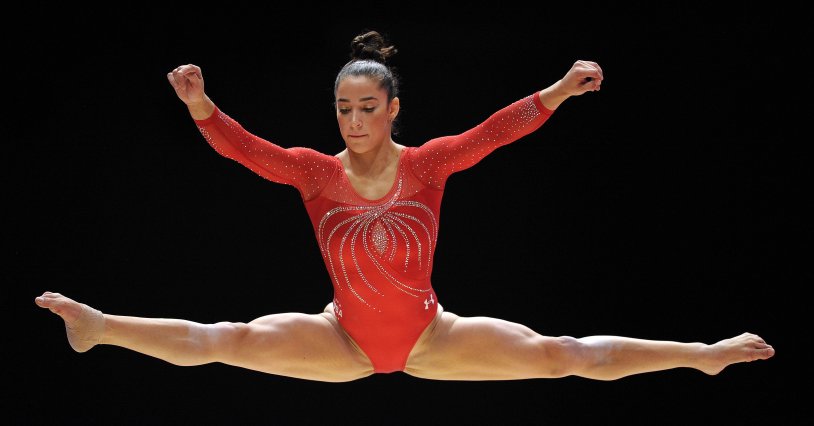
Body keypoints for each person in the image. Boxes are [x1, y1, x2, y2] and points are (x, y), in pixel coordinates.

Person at [36, 30, 774, 383]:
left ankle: (702, 357)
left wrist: (556, 90)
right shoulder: (314, 173)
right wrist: (200, 104)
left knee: (564, 356)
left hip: (429, 336)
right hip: (342, 341)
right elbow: (245, 150)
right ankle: (100, 328)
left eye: (365, 107)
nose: (352, 121)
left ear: (392, 108)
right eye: (342, 108)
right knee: (222, 338)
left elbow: (495, 132)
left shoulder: (428, 166)